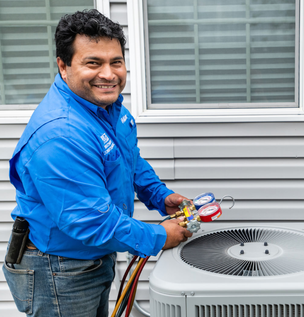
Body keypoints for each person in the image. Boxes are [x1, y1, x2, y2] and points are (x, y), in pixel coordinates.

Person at [3, 9, 192, 317]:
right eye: (93, 63)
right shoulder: (61, 135)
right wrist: (159, 237)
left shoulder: (104, 106)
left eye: (115, 62)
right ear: (63, 66)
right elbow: (90, 220)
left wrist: (158, 195)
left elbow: (126, 158)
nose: (109, 74)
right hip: (60, 270)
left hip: (92, 255)